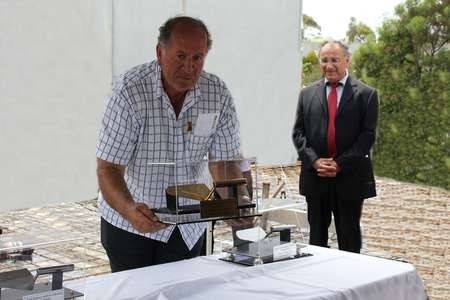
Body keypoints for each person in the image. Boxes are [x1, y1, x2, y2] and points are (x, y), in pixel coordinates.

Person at [96, 16, 242, 272]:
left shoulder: (217, 93)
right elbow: (108, 168)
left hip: (188, 223)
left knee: (182, 292)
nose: (189, 67)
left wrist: (237, 204)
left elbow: (224, 162)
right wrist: (130, 210)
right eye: (181, 56)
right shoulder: (129, 91)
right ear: (159, 52)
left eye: (197, 58)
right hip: (131, 221)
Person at [292, 41, 379, 253]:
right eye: (324, 60)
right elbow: (298, 133)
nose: (329, 65)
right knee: (316, 240)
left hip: (349, 178)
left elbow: (366, 137)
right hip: (316, 177)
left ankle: (350, 282)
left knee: (349, 238)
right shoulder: (307, 94)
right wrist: (314, 160)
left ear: (346, 61)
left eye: (335, 60)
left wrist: (340, 164)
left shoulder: (366, 95)